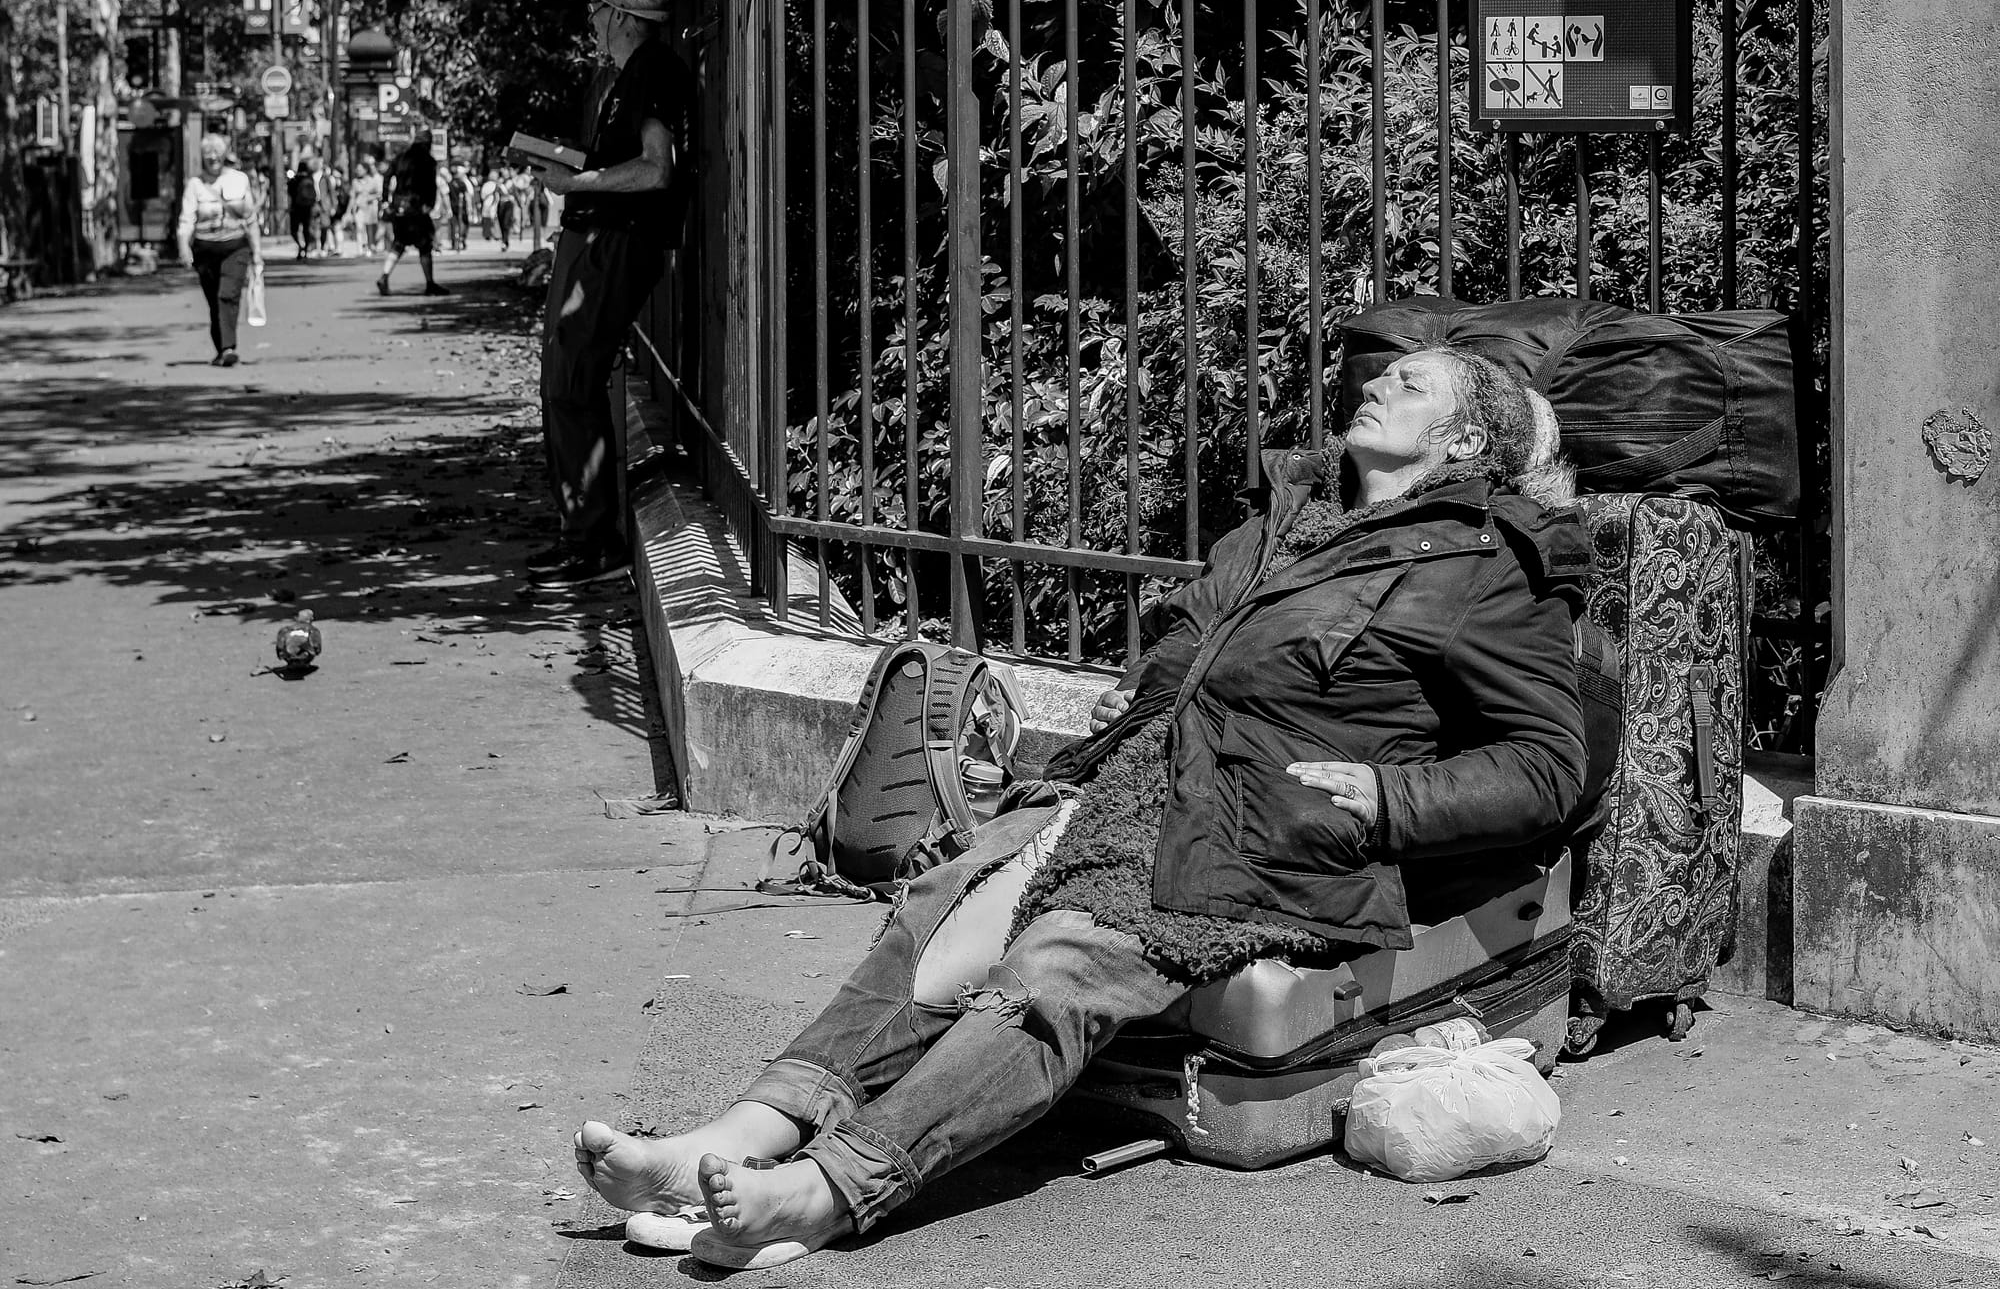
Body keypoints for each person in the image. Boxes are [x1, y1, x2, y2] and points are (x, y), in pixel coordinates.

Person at [571, 348, 1589, 1269]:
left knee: (1059, 961)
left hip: (1273, 841)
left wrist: (1386, 795)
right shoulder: (1282, 518)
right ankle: (737, 1135)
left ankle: (827, 1190)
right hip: (1139, 790)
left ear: (1464, 441)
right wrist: (1141, 694)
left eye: (1411, 383)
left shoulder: (1489, 565)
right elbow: (1194, 646)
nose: (1375, 383)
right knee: (942, 906)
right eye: (1383, 372)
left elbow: (1547, 763)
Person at [527, 0, 692, 593]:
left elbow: (656, 168)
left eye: (598, 8)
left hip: (616, 240)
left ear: (622, 15)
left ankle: (593, 542)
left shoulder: (652, 69)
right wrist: (572, 169)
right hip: (600, 238)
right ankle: (582, 534)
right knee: (565, 375)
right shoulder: (628, 73)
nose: (592, 18)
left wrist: (576, 182)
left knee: (571, 376)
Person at [176, 135, 263, 368]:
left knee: (228, 295)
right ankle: (221, 348)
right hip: (205, 249)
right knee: (214, 300)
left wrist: (257, 252)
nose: (213, 157)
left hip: (235, 246)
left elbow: (251, 218)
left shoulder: (239, 180)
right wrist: (184, 246)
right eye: (208, 154)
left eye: (217, 153)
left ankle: (228, 348)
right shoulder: (195, 185)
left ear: (224, 155)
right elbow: (186, 219)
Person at [377, 126, 448, 296]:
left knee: (399, 243)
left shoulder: (400, 157)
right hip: (417, 207)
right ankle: (430, 283)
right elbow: (430, 185)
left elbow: (386, 176)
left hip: (399, 206)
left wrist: (386, 200)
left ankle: (384, 276)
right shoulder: (428, 161)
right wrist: (429, 204)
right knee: (425, 245)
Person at [287, 155, 318, 261]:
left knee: (294, 230)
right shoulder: (309, 178)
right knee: (306, 229)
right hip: (307, 207)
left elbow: (290, 192)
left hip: (295, 207)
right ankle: (306, 249)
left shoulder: (294, 179)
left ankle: (300, 246)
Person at [351, 154, 383, 255]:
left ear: (365, 170)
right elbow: (352, 196)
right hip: (359, 209)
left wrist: (370, 198)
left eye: (360, 169)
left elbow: (379, 194)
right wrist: (350, 209)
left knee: (369, 229)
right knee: (360, 228)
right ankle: (361, 249)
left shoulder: (372, 180)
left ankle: (370, 246)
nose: (358, 171)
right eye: (357, 169)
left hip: (370, 208)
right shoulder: (355, 182)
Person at [446, 160, 472, 251]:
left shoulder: (450, 183)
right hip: (462, 207)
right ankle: (461, 239)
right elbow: (467, 196)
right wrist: (469, 207)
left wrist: (448, 208)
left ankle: (455, 242)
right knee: (464, 223)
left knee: (454, 225)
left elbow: (447, 196)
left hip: (453, 206)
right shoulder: (462, 183)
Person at [496, 167, 519, 252]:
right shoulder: (500, 182)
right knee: (501, 223)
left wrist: (519, 203)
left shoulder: (511, 182)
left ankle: (505, 241)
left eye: (506, 172)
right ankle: (504, 240)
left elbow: (515, 193)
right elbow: (496, 193)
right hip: (501, 204)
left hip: (509, 204)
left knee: (506, 223)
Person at [526, 168, 550, 249]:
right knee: (540, 221)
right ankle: (540, 241)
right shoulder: (535, 181)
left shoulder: (539, 181)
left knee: (543, 221)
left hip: (541, 202)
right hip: (537, 202)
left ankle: (542, 239)